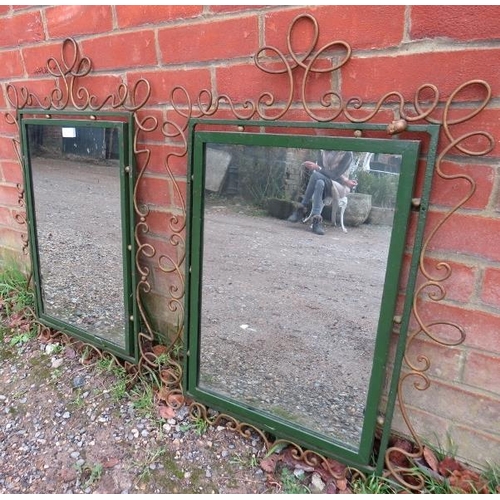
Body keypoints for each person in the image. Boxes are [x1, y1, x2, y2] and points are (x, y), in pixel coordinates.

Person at [288, 150, 357, 235]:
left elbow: (335, 175)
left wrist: (318, 168)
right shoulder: (322, 151)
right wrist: (318, 169)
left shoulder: (347, 154)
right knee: (319, 182)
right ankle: (316, 222)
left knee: (316, 175)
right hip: (323, 180)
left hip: (339, 185)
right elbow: (322, 172)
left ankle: (302, 207)